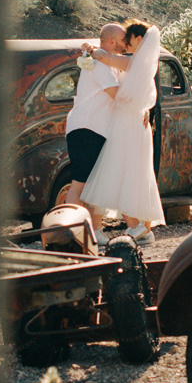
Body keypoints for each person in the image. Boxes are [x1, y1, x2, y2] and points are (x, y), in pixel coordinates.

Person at [81, 19, 164, 245]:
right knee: (129, 171)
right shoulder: (141, 62)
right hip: (132, 121)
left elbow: (107, 58)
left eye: (128, 39)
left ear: (139, 40)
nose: (125, 44)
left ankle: (132, 226)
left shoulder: (137, 61)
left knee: (119, 168)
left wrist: (91, 50)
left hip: (128, 122)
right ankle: (137, 227)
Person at [57, 22, 132, 236]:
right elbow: (117, 95)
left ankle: (93, 230)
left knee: (91, 183)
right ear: (110, 41)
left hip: (94, 129)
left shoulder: (104, 63)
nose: (124, 45)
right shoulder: (99, 66)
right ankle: (70, 231)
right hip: (86, 128)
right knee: (80, 183)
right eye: (121, 41)